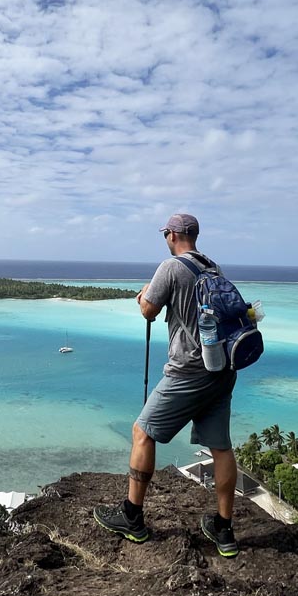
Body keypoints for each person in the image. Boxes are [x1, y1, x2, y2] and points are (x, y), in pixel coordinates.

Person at [93, 213, 240, 557]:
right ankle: (224, 529)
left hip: (187, 371)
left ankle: (132, 517)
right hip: (221, 369)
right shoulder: (212, 267)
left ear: (172, 235)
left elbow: (148, 310)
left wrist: (142, 296)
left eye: (166, 235)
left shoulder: (171, 267)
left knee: (142, 432)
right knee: (220, 446)